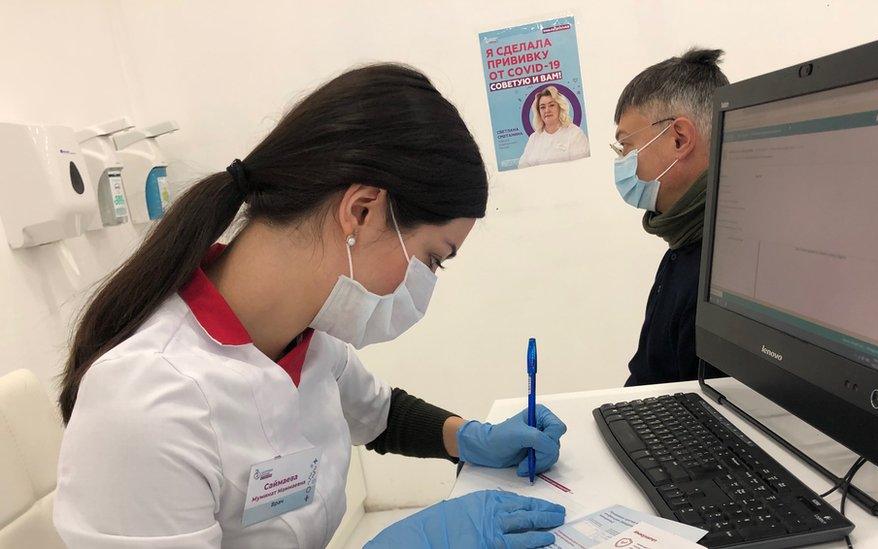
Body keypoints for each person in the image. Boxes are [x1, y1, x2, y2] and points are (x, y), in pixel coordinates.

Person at [53, 64, 567, 549]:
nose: (425, 284)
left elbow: (380, 415)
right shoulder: (146, 405)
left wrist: (473, 438)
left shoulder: (304, 337)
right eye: (433, 260)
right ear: (361, 211)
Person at [611, 48, 729, 386]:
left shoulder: (725, 268)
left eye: (626, 147)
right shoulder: (682, 250)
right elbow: (648, 375)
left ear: (679, 138)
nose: (622, 161)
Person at [518, 85, 590, 168]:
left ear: (560, 107)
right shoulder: (534, 138)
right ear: (539, 112)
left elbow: (581, 166)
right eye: (542, 107)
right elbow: (522, 166)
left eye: (551, 105)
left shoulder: (575, 134)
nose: (547, 110)